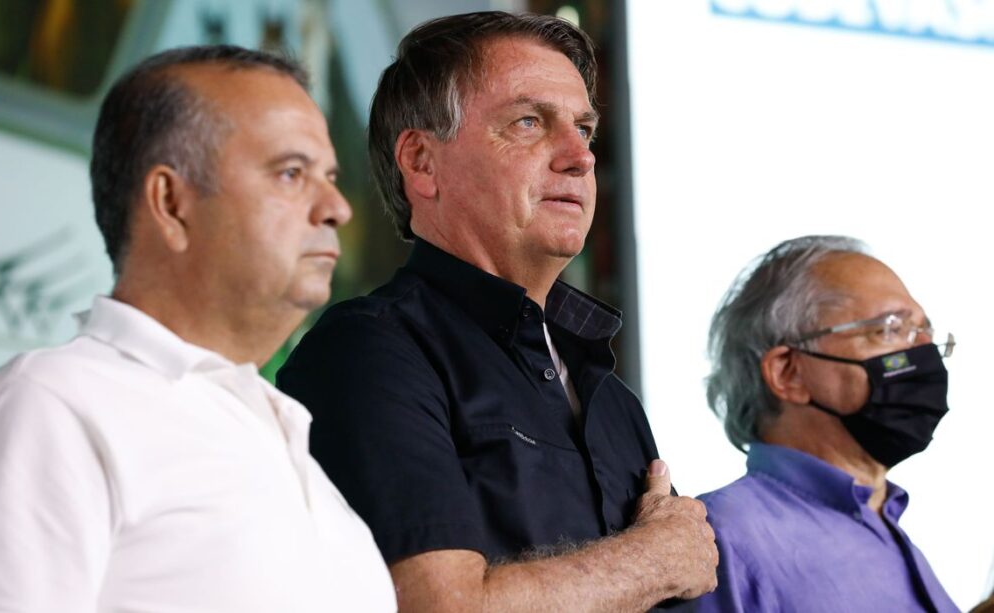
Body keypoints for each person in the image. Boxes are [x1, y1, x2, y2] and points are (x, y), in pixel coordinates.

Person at [277, 11, 717, 611]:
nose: (580, 157)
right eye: (529, 122)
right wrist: (655, 559)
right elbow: (441, 607)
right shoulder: (368, 353)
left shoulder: (612, 399)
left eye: (584, 129)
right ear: (422, 163)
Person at [0, 45, 396, 611]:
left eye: (331, 177)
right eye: (292, 173)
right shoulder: (54, 406)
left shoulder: (282, 438)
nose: (337, 207)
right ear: (171, 203)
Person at [684, 235, 957, 612]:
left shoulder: (885, 522)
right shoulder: (717, 540)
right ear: (789, 372)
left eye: (925, 332)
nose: (924, 352)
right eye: (890, 329)